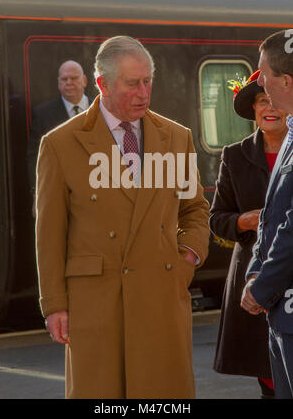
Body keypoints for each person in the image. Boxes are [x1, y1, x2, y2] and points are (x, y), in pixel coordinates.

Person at [35, 36, 210, 399]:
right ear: (102, 83)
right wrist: (55, 305)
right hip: (95, 305)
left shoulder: (176, 137)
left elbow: (194, 209)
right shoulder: (60, 144)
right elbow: (49, 233)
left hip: (160, 295)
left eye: (148, 81)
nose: (143, 92)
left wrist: (187, 257)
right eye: (133, 83)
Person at [210, 69, 287, 399]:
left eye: (276, 100)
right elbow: (217, 219)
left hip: (290, 272)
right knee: (268, 378)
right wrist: (246, 221)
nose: (269, 108)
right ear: (254, 109)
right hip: (253, 277)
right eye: (261, 101)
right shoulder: (234, 155)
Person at [241, 30, 293, 399]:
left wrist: (261, 286)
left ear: (286, 81)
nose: (259, 82)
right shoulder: (291, 132)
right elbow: (272, 215)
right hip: (282, 312)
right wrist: (255, 268)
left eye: (263, 73)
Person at [27, 60, 89, 196]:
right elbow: (35, 157)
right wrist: (37, 194)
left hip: (96, 191)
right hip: (58, 193)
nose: (69, 82)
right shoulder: (43, 114)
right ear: (58, 83)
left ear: (84, 80)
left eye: (74, 78)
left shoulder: (103, 109)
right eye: (64, 79)